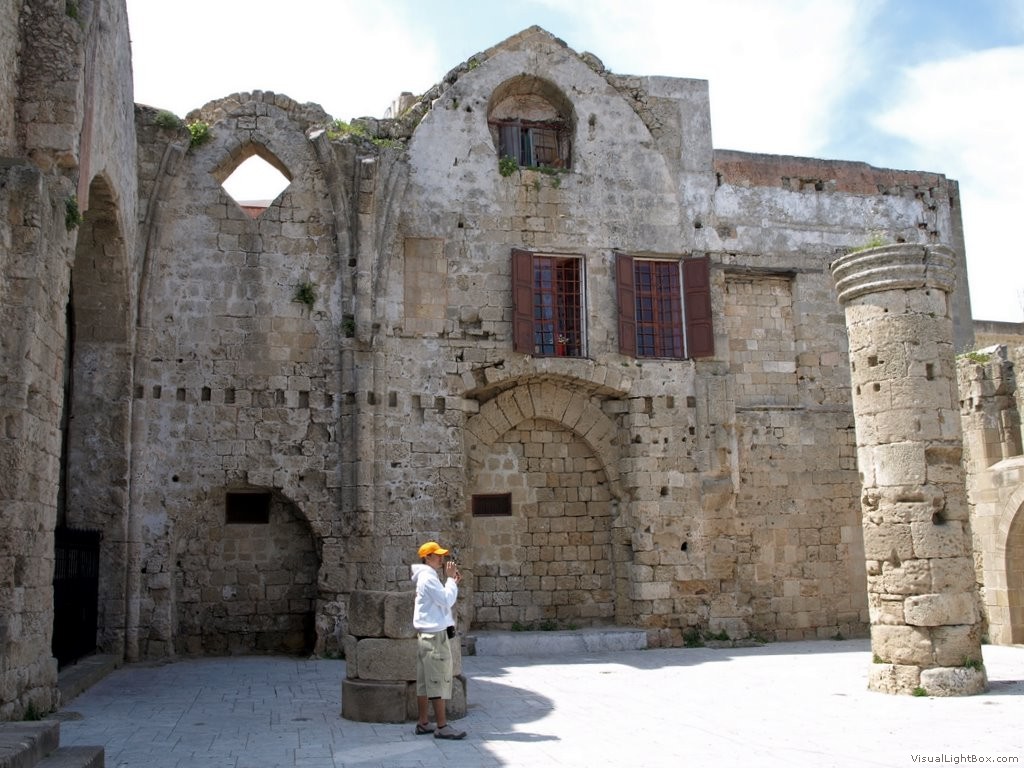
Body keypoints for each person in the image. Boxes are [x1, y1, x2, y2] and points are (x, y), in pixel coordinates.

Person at [411, 540, 466, 740]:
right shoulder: (428, 578)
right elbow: (446, 600)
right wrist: (450, 580)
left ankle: (423, 722)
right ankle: (442, 727)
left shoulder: (427, 577)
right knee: (437, 681)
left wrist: (451, 582)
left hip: (427, 635)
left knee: (425, 682)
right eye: (438, 555)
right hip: (434, 637)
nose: (442, 559)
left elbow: (440, 601)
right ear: (428, 557)